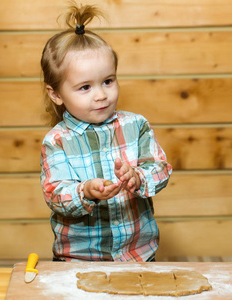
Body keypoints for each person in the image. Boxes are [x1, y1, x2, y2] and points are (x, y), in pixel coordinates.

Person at [39, 2, 172, 262]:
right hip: (78, 258)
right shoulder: (57, 141)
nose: (101, 95)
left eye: (108, 81)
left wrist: (138, 177)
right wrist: (86, 191)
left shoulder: (136, 125)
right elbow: (55, 194)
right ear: (56, 94)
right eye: (85, 87)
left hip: (138, 254)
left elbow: (161, 169)